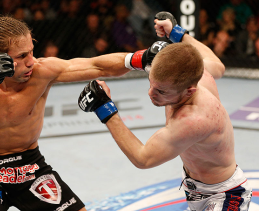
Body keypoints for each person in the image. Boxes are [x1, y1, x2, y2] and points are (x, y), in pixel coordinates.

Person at [0, 15, 134, 211]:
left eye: (31, 52)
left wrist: (140, 58)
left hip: (30, 165)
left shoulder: (42, 71)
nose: (31, 61)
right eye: (22, 56)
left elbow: (97, 65)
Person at [78, 11, 252, 210]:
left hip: (224, 196)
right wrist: (178, 34)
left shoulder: (193, 119)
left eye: (161, 91)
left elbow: (143, 158)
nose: (151, 94)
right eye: (151, 83)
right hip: (197, 188)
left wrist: (104, 108)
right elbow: (218, 66)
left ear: (189, 91)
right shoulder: (193, 74)